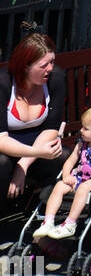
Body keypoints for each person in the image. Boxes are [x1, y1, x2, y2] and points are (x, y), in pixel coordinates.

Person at [35, 103, 91, 241]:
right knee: (60, 185)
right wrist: (66, 175)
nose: (81, 130)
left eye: (86, 128)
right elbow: (70, 160)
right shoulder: (82, 143)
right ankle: (48, 221)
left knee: (84, 187)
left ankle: (70, 223)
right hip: (79, 177)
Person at [0, 30, 65, 201]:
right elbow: (1, 140)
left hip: (36, 150)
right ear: (26, 66)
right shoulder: (4, 84)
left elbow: (51, 128)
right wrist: (36, 152)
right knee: (2, 163)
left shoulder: (55, 78)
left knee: (64, 156)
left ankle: (44, 210)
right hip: (6, 149)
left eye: (52, 62)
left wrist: (24, 163)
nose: (50, 69)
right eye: (44, 65)